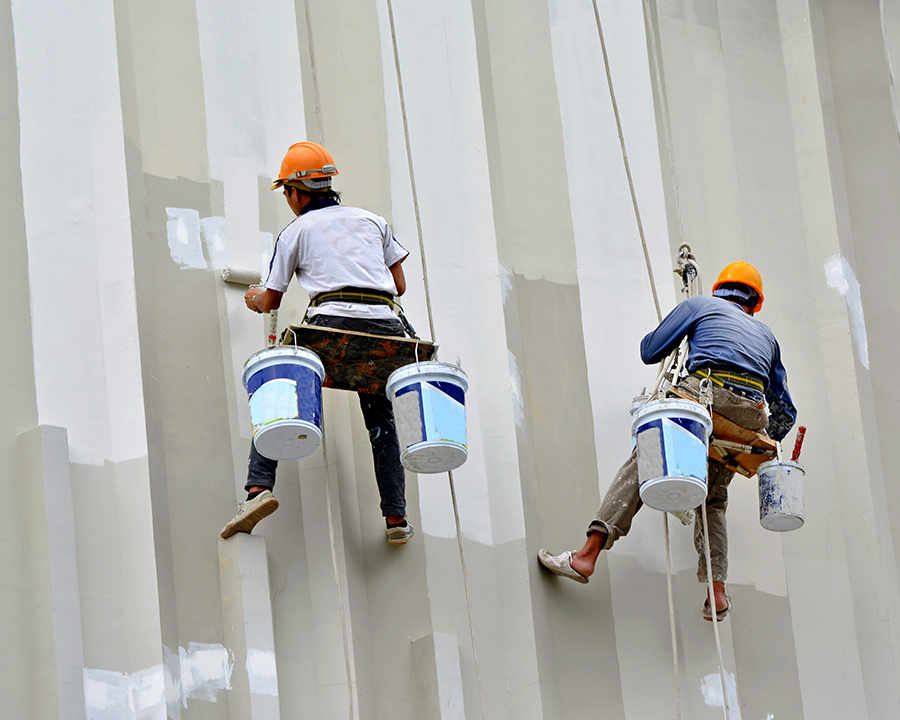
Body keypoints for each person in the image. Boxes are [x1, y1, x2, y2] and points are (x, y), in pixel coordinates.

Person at [538, 262, 796, 620]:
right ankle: (716, 592)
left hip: (705, 396)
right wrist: (768, 442)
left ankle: (586, 556)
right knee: (713, 499)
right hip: (750, 417)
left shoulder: (700, 306)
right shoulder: (767, 336)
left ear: (720, 290)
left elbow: (650, 351)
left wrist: (684, 328)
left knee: (645, 460)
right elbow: (785, 411)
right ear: (754, 304)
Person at [220, 141, 415, 546]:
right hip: (384, 330)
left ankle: (258, 490)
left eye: (287, 193)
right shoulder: (373, 221)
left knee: (281, 386)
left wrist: (254, 297)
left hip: (330, 324)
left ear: (296, 190)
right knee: (381, 419)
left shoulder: (296, 231)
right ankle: (396, 516)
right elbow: (399, 285)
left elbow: (271, 299)